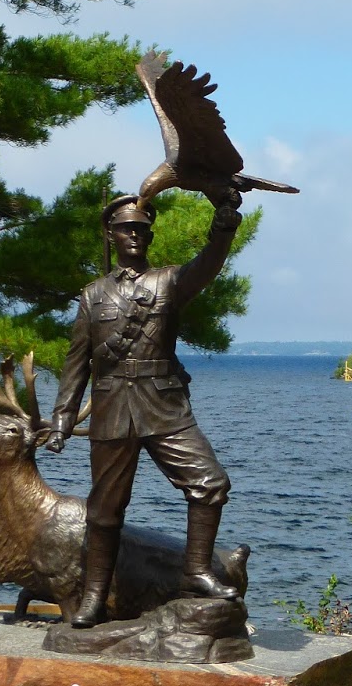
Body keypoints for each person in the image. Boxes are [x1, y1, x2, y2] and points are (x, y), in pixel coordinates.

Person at [45, 189, 243, 628]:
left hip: (164, 405)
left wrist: (224, 226)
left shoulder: (168, 283)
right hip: (113, 407)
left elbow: (207, 264)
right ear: (111, 234)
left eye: (142, 229)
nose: (135, 235)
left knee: (210, 483)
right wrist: (62, 419)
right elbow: (77, 362)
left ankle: (196, 572)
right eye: (126, 229)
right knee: (105, 509)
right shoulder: (92, 296)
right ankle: (94, 597)